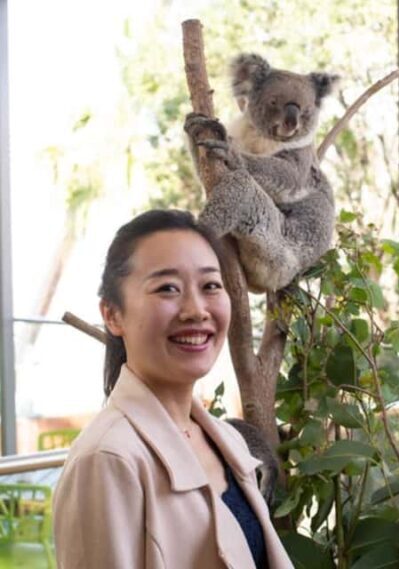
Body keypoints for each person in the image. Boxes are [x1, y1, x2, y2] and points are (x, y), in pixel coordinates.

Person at [53, 209, 293, 568]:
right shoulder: (107, 459)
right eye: (167, 288)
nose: (196, 310)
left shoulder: (225, 439)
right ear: (112, 315)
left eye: (210, 286)